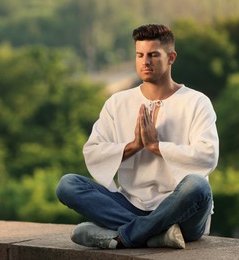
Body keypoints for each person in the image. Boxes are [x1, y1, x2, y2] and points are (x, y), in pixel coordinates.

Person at [56, 23, 219, 249]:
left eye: (153, 55)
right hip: (130, 205)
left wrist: (156, 147)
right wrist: (133, 146)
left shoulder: (196, 102)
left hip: (182, 211)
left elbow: (208, 156)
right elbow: (92, 151)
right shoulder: (117, 103)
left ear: (171, 57)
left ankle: (123, 237)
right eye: (140, 55)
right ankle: (157, 234)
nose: (145, 62)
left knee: (198, 186)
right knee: (68, 185)